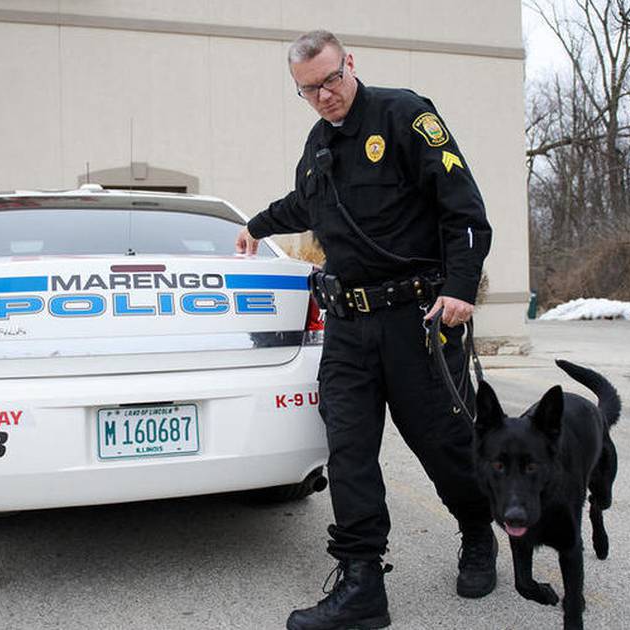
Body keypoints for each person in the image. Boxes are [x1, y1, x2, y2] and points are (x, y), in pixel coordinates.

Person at [235, 30, 498, 630]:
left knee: (442, 443)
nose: (325, 95)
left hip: (417, 320)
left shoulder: (406, 115)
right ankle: (361, 582)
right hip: (349, 326)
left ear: (350, 63)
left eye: (331, 79)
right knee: (349, 450)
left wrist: (459, 287)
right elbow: (308, 204)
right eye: (309, 89)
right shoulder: (318, 143)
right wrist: (257, 223)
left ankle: (478, 532)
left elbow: (465, 211)